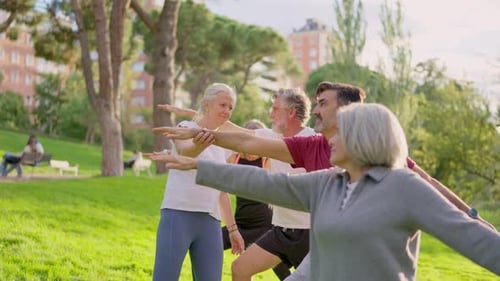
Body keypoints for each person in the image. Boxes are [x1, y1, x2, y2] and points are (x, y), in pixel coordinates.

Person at [154, 81, 496, 280]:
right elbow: (267, 185)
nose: (329, 138)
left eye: (339, 133)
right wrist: (196, 166)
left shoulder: (403, 188)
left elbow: (476, 242)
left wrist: (472, 214)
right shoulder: (328, 182)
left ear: (366, 139)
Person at [155, 88, 315, 280]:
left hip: (309, 231)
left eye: (275, 108)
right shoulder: (270, 136)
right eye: (223, 105)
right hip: (279, 229)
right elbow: (234, 132)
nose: (270, 114)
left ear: (290, 112)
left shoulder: (314, 141)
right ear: (207, 104)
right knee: (240, 269)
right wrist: (195, 123)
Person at [149, 83, 244, 281]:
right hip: (178, 215)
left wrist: (233, 229)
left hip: (210, 222)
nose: (227, 111)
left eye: (230, 107)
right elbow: (186, 152)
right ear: (206, 105)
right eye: (223, 105)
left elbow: (221, 189)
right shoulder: (186, 128)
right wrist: (202, 142)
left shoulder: (222, 143)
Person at [222, 119, 291, 279]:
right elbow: (217, 171)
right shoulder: (235, 158)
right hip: (240, 224)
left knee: (282, 272)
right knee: (209, 243)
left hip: (265, 226)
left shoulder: (267, 160)